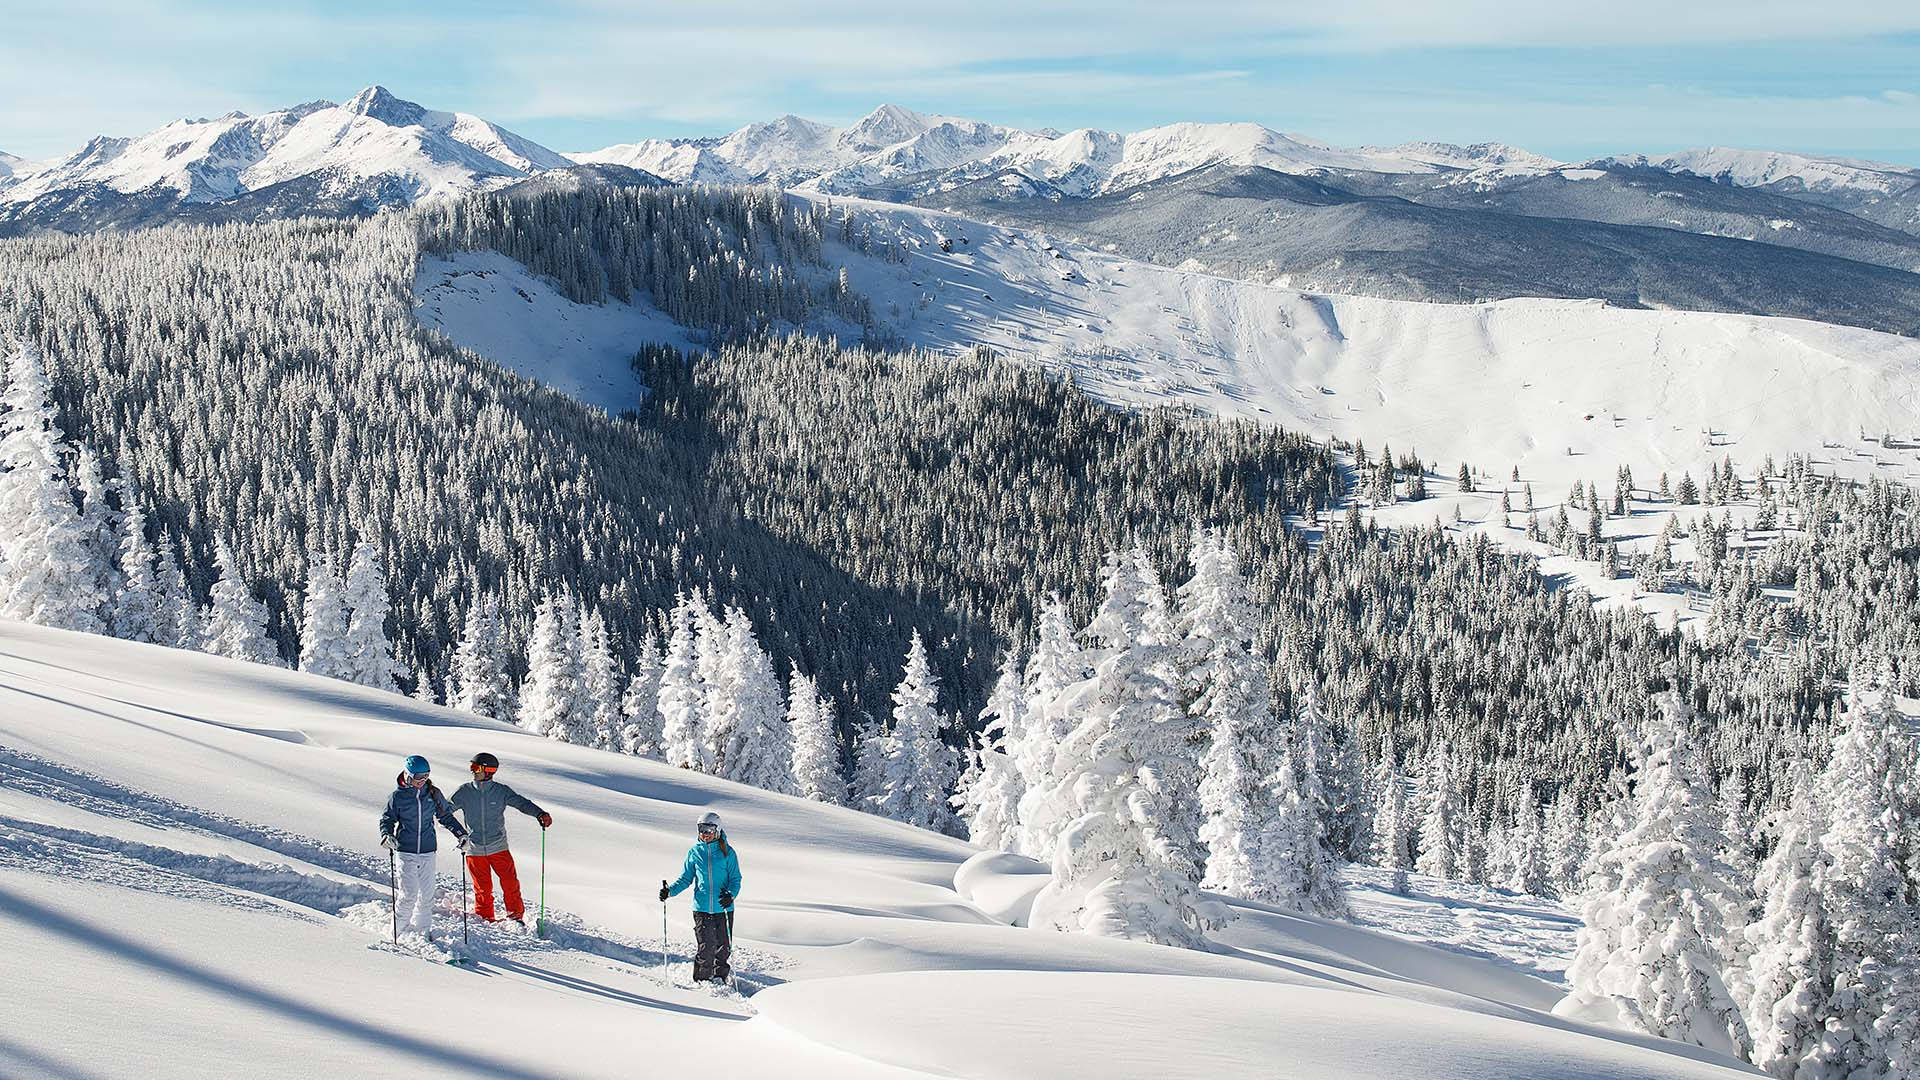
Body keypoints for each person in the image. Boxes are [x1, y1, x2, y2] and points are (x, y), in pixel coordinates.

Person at [448, 752, 552, 925]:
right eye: (471, 767)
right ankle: (484, 917)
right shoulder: (464, 792)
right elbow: (445, 809)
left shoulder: (501, 792)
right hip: (475, 849)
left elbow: (522, 803)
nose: (473, 771)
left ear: (489, 771)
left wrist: (539, 813)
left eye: (476, 768)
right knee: (483, 888)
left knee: (510, 883)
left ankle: (515, 916)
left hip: (499, 847)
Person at [379, 755, 469, 940]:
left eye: (426, 776)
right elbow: (387, 819)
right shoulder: (397, 797)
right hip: (405, 851)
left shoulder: (433, 794)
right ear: (408, 775)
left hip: (428, 850)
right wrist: (387, 835)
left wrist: (461, 834)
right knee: (409, 894)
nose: (422, 781)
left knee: (427, 895)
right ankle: (396, 932)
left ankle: (422, 931)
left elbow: (445, 816)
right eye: (418, 777)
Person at [660, 811, 742, 984]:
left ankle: (720, 977)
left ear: (717, 830)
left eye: (709, 829)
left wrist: (730, 895)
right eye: (701, 829)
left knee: (723, 947)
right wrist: (670, 891)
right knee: (706, 947)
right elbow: (686, 878)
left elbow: (736, 879)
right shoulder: (694, 852)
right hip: (702, 908)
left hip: (724, 908)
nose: (705, 834)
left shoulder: (728, 853)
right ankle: (702, 981)